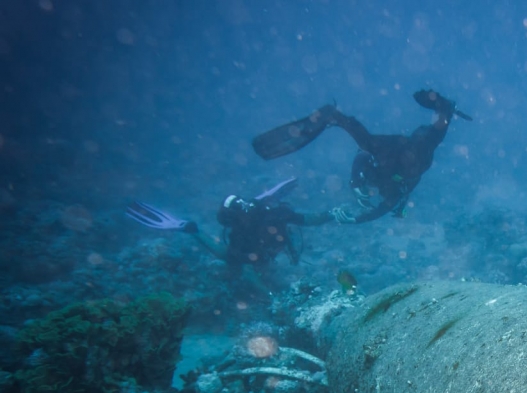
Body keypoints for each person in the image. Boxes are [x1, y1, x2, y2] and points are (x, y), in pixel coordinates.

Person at [251, 89, 472, 224]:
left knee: (430, 136)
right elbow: (364, 159)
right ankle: (335, 117)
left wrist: (356, 192)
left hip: (402, 153)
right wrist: (356, 188)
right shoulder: (393, 185)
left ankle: (334, 117)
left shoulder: (389, 185)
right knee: (429, 137)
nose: (371, 190)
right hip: (405, 155)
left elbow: (364, 158)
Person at [126, 177, 331, 268]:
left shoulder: (274, 217)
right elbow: (306, 220)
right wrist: (271, 297)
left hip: (261, 223)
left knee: (236, 255)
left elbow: (305, 220)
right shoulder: (245, 237)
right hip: (254, 239)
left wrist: (331, 214)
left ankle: (192, 228)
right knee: (226, 257)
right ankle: (191, 229)